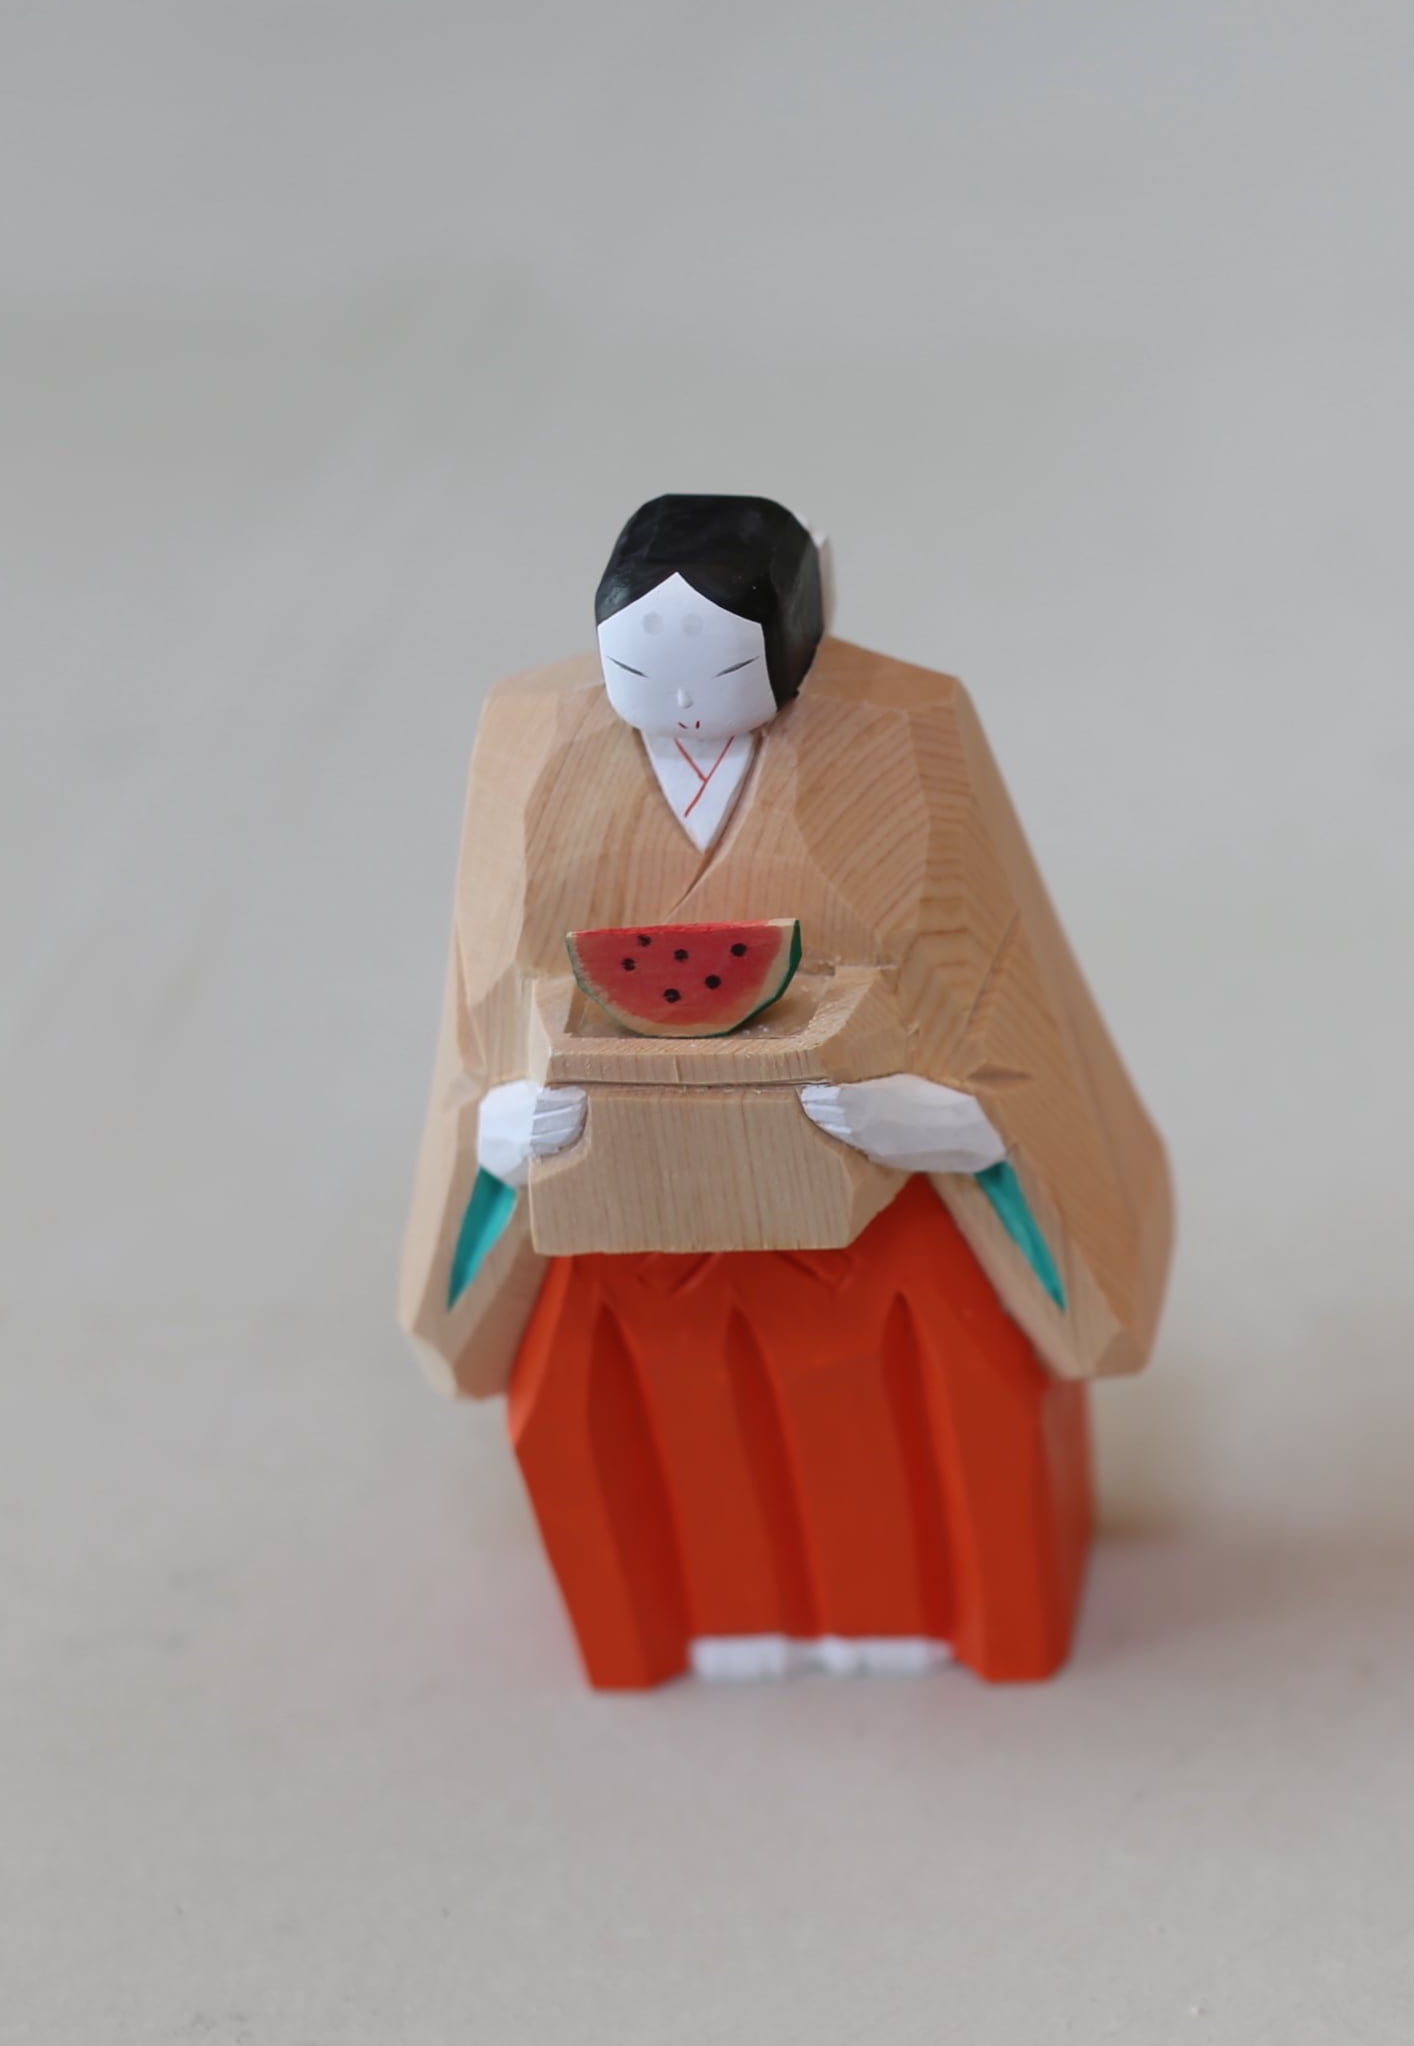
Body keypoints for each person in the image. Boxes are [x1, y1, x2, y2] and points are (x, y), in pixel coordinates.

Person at [397, 495, 1171, 1688]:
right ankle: (686, 1623)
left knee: (915, 1421)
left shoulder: (902, 734)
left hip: (883, 1222)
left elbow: (996, 978)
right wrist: (497, 1134)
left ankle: (948, 1615)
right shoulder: (533, 739)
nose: (680, 701)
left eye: (713, 668)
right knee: (647, 1434)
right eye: (638, 668)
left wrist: (961, 1127)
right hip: (615, 1228)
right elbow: (484, 1004)